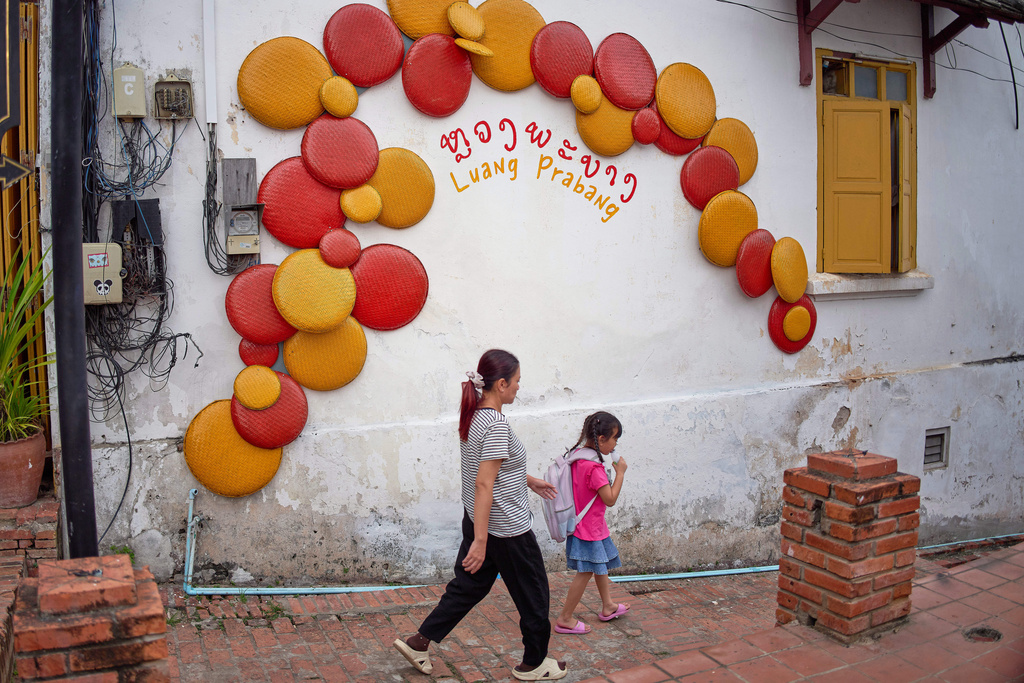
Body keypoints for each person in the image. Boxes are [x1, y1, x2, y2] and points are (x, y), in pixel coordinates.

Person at [394, 349, 568, 681]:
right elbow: (484, 483)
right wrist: (481, 542)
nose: (519, 387)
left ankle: (419, 642)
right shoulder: (496, 423)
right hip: (506, 530)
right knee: (534, 595)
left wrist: (528, 481)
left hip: (480, 520)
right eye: (516, 381)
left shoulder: (474, 416)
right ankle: (534, 664)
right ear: (501, 384)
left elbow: (489, 469)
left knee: (468, 587)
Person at [553, 411, 629, 635]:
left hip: (589, 524)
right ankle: (565, 618)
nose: (615, 444)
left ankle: (608, 606)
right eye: (615, 438)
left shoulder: (578, 455)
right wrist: (621, 474)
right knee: (586, 572)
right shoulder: (595, 468)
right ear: (602, 439)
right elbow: (610, 499)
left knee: (600, 565)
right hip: (588, 529)